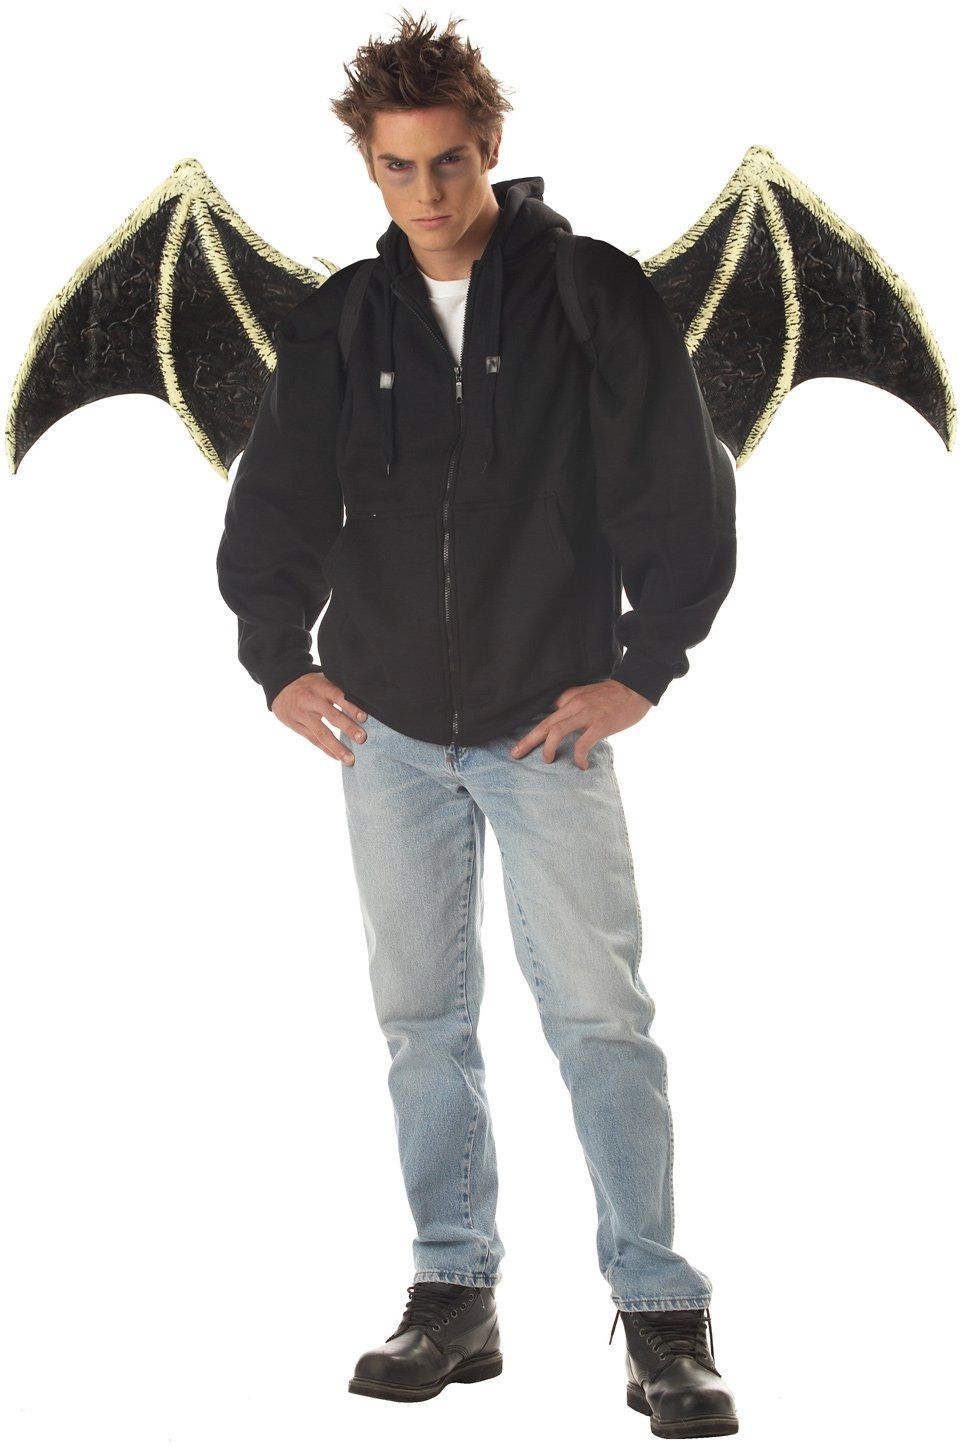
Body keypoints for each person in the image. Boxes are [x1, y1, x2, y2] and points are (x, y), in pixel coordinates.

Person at [216, 10, 739, 1435]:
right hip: (384, 731)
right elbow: (276, 500)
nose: (429, 192)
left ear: (490, 146)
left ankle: (660, 1313)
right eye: (398, 168)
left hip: (543, 725)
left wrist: (645, 664)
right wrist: (276, 659)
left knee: (601, 1021)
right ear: (368, 168)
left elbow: (677, 483)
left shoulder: (590, 292)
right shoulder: (344, 317)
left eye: (450, 161)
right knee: (420, 1022)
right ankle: (453, 1291)